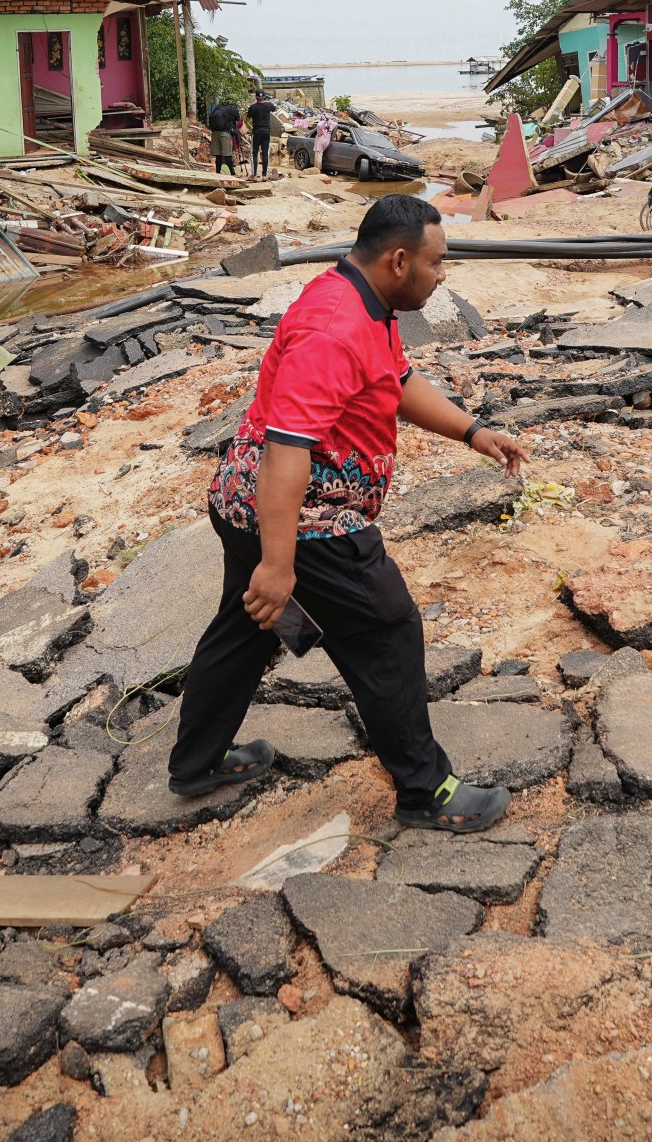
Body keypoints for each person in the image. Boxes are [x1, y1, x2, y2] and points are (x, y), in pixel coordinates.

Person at [171, 193, 530, 833]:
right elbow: (287, 454)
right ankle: (426, 792)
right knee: (386, 632)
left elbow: (395, 381)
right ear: (399, 260)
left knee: (248, 626)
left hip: (243, 500)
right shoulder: (333, 330)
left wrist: (473, 432)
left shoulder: (364, 298)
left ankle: (197, 763)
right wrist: (280, 566)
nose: (443, 274)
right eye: (438, 262)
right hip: (306, 520)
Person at [245, 91, 280, 179]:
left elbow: (247, 119)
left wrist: (251, 125)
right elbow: (275, 109)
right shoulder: (269, 105)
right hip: (266, 132)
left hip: (256, 132)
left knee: (254, 153)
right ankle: (264, 175)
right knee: (265, 152)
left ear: (256, 97)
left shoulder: (252, 107)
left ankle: (254, 175)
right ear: (264, 97)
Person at [206, 97, 241, 176]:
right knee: (227, 154)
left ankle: (218, 173)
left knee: (218, 155)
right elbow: (238, 120)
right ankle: (233, 173)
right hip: (225, 133)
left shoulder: (218, 108)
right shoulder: (233, 110)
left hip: (214, 133)